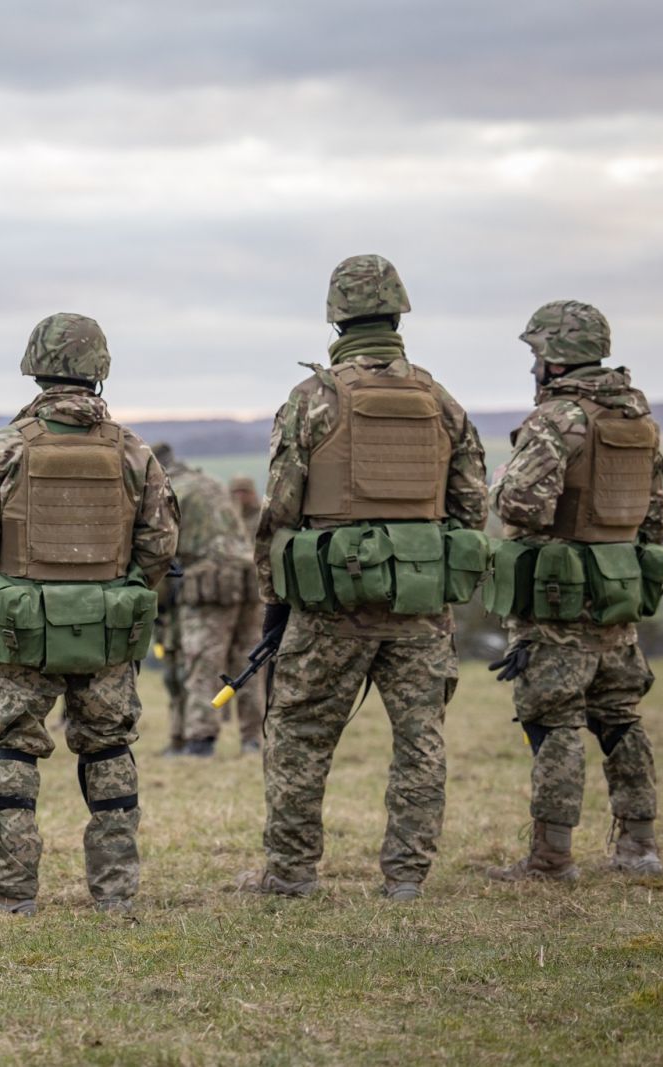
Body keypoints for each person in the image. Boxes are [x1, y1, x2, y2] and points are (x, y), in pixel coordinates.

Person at [242, 254, 487, 901]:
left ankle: (291, 874)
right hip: (419, 608)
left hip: (331, 610)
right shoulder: (440, 401)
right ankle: (405, 877)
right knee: (421, 740)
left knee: (298, 734)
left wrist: (275, 605)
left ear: (336, 316)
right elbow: (471, 508)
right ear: (398, 313)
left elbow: (280, 514)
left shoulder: (312, 400)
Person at [0, 313, 178, 916]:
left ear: (35, 367)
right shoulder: (133, 451)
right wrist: (120, 603)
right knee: (109, 750)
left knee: (14, 752)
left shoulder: (5, 448)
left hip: (24, 634)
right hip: (106, 632)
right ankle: (117, 893)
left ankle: (12, 893)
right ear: (98, 371)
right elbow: (161, 544)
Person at [485, 301, 663, 882]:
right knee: (620, 716)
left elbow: (522, 505)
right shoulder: (637, 421)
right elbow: (654, 520)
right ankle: (639, 846)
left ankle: (551, 857)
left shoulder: (558, 418)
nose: (534, 364)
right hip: (617, 590)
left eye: (537, 353)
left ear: (553, 358)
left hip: (558, 600)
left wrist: (498, 487)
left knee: (555, 719)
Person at [159, 447, 253, 757]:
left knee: (202, 660)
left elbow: (159, 548)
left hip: (208, 582)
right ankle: (254, 739)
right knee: (249, 663)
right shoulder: (209, 481)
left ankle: (200, 741)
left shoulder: (170, 490)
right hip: (249, 577)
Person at [150, 443, 188, 754]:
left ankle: (189, 738)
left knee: (182, 669)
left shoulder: (166, 491)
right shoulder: (196, 483)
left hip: (183, 596)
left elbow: (159, 554)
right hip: (191, 591)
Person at [227, 475, 266, 753]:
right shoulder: (224, 521)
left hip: (256, 605)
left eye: (245, 492)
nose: (240, 498)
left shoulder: (264, 521)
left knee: (250, 670)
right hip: (224, 602)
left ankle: (252, 736)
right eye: (235, 492)